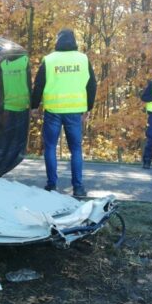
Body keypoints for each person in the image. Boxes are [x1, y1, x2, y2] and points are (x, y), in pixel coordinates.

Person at [31, 29, 97, 198]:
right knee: (76, 149)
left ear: (58, 41)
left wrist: (34, 106)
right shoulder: (83, 59)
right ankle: (78, 188)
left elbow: (39, 85)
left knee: (50, 147)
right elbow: (92, 85)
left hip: (53, 110)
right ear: (74, 41)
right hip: (75, 111)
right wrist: (88, 108)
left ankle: (51, 185)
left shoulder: (49, 60)